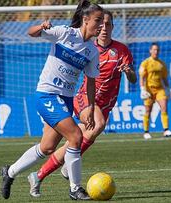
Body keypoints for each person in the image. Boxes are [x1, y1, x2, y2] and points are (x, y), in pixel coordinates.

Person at [27, 9, 137, 198]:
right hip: (85, 98)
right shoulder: (89, 48)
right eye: (101, 24)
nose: (103, 28)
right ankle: (69, 176)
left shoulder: (121, 50)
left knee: (75, 140)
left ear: (112, 27)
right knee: (98, 125)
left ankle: (39, 175)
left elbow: (134, 79)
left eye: (108, 24)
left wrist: (128, 72)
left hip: (105, 105)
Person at [0, 0, 104, 200]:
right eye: (98, 21)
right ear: (85, 19)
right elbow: (31, 32)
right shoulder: (65, 33)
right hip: (47, 94)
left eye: (103, 22)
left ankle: (10, 172)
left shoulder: (92, 51)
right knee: (75, 136)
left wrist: (90, 107)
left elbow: (91, 82)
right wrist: (41, 26)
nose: (101, 25)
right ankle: (75, 188)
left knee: (47, 147)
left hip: (65, 99)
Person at [139, 43, 171, 139]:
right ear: (150, 51)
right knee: (147, 111)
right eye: (154, 49)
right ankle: (146, 132)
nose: (156, 51)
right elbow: (142, 77)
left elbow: (165, 78)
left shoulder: (161, 64)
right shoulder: (145, 63)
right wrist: (142, 89)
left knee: (164, 108)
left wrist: (167, 89)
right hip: (149, 90)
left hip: (159, 89)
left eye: (157, 50)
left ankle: (166, 130)